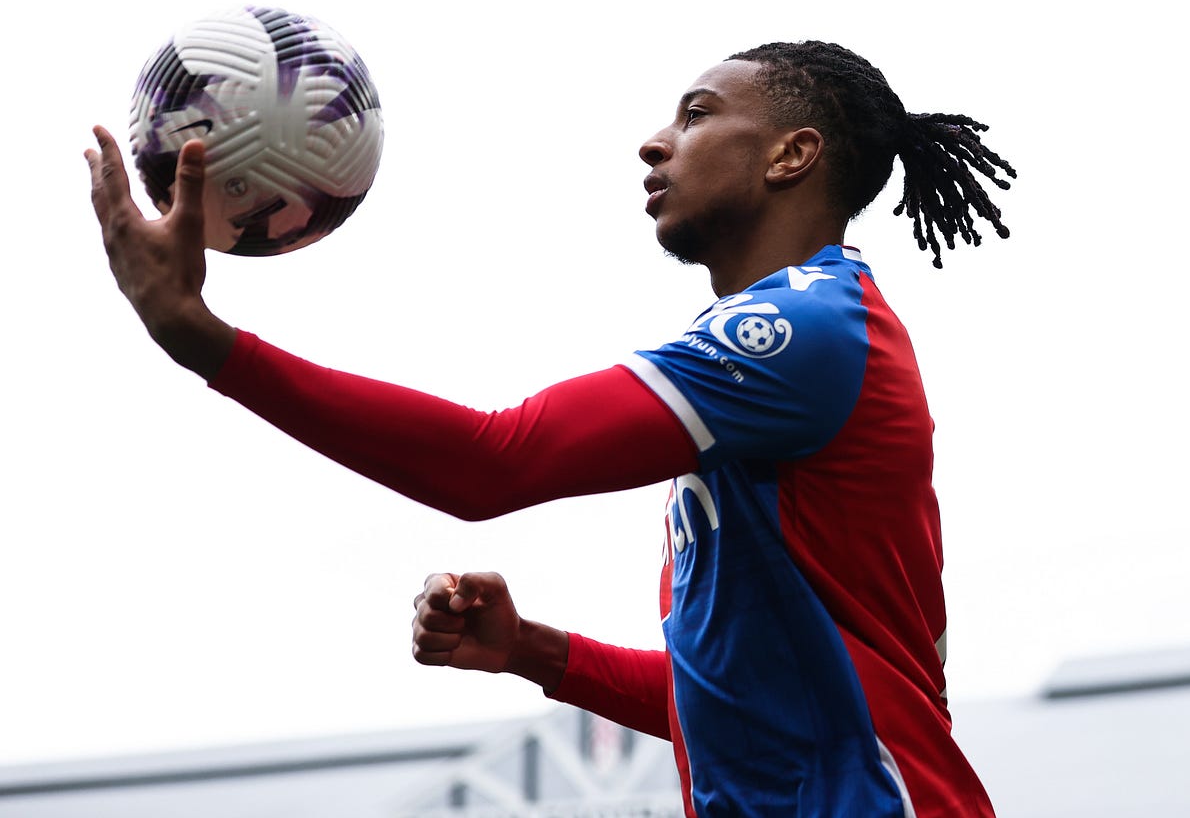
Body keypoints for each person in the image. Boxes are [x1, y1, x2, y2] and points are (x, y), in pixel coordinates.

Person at [86, 40, 1016, 817]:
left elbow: (495, 460)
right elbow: (727, 690)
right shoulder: (786, 354)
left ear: (790, 155)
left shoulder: (804, 331)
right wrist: (530, 649)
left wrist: (202, 339)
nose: (655, 143)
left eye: (695, 115)